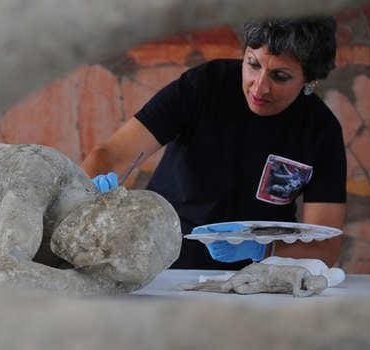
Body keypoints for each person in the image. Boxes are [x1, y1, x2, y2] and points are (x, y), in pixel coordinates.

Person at [82, 16, 346, 269]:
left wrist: (261, 249)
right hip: (159, 261)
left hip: (258, 279)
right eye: (253, 64)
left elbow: (325, 247)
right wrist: (87, 193)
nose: (259, 87)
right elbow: (110, 155)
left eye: (280, 76)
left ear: (310, 80)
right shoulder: (204, 85)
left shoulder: (321, 131)